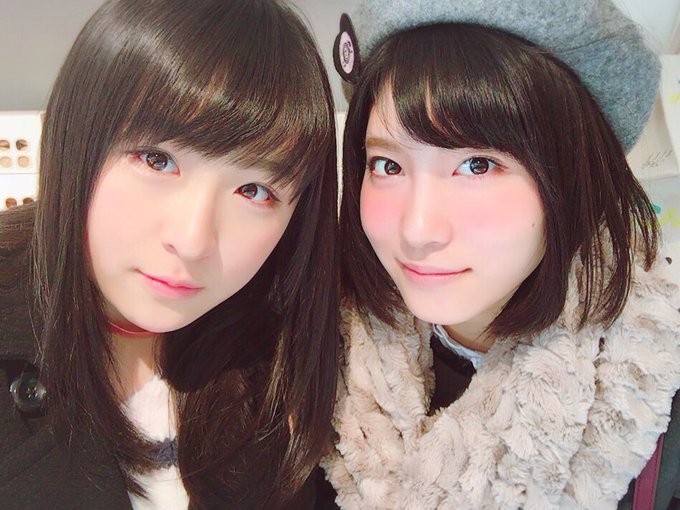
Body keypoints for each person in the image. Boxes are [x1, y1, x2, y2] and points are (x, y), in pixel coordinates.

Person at [320, 0, 680, 508]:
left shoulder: (652, 379)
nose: (417, 230)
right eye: (388, 165)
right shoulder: (319, 351)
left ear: (573, 177)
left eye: (478, 165)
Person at [0, 0, 339, 508]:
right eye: (157, 160)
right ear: (74, 138)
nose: (193, 240)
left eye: (254, 191)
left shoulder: (287, 358)